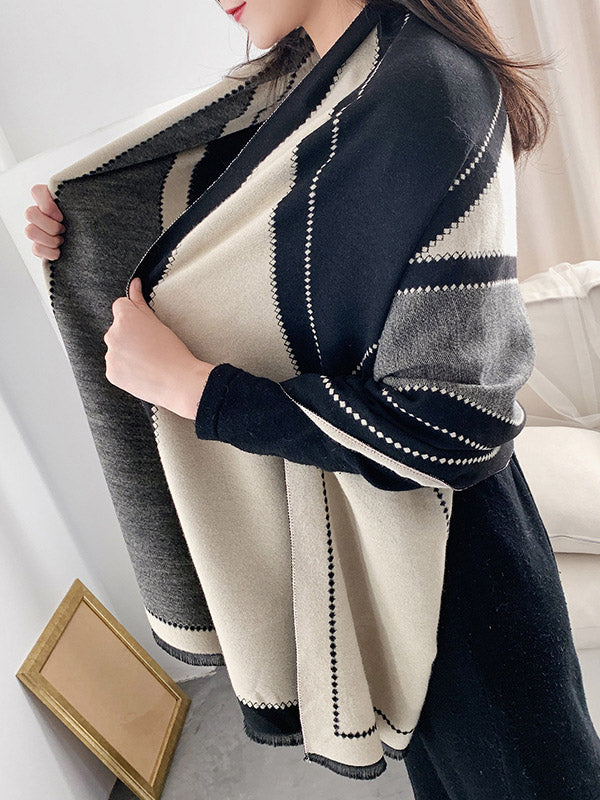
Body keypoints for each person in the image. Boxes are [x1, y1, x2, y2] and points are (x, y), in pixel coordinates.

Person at [25, 1, 600, 797]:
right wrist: (86, 234)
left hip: (460, 573)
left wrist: (195, 390)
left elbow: (459, 426)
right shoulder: (306, 87)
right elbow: (223, 254)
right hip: (378, 553)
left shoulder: (427, 88)